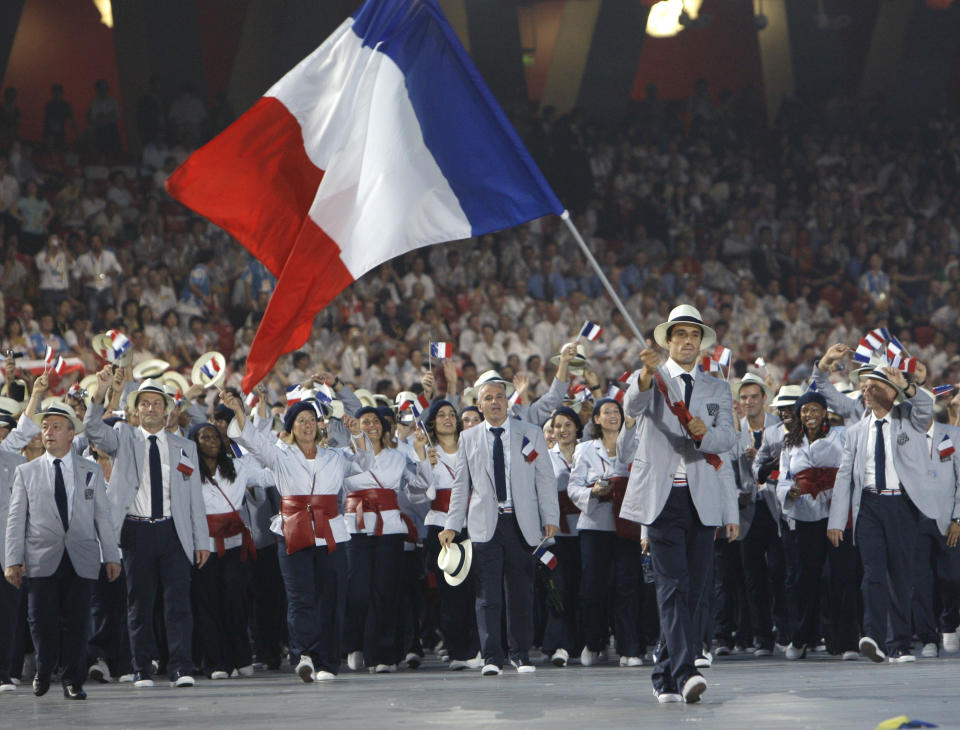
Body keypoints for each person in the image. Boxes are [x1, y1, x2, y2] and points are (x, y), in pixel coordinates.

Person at [620, 305, 738, 704]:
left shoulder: (717, 387)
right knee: (671, 585)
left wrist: (706, 435)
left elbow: (728, 440)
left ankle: (663, 673)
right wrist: (645, 377)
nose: (687, 341)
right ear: (667, 341)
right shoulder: (653, 377)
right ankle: (686, 672)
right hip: (661, 496)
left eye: (694, 335)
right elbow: (631, 410)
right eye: (680, 334)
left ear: (701, 344)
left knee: (694, 591)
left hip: (703, 498)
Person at [223, 391, 369, 682]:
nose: (308, 425)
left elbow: (362, 466)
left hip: (331, 533)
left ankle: (328, 661)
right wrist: (240, 411)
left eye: (312, 419)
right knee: (300, 597)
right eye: (301, 420)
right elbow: (253, 441)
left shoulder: (335, 456)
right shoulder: (280, 455)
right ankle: (304, 654)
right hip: (292, 530)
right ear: (290, 428)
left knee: (331, 597)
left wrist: (358, 437)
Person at [83, 370, 209, 688]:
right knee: (139, 603)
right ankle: (141, 668)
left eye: (157, 403)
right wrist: (100, 390)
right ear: (136, 409)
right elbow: (92, 428)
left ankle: (180, 667)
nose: (151, 409)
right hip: (136, 533)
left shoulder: (184, 447)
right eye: (145, 403)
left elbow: (194, 497)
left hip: (173, 533)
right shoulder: (123, 437)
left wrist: (201, 540)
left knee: (178, 604)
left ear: (167, 410)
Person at [439, 373, 559, 676]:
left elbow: (545, 478)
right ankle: (492, 656)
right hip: (484, 526)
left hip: (522, 523)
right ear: (479, 405)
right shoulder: (468, 438)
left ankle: (520, 655)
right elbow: (460, 486)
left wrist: (551, 518)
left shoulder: (530, 432)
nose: (495, 402)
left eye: (499, 397)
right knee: (487, 595)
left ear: (508, 401)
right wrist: (452, 524)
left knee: (521, 593)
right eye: (488, 398)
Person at [4, 401, 121, 700]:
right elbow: (16, 519)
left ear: (72, 433)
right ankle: (44, 669)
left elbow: (102, 515)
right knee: (41, 621)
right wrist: (12, 560)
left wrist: (110, 554)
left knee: (78, 621)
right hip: (41, 557)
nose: (48, 432)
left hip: (81, 556)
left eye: (56, 426)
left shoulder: (91, 469)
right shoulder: (26, 471)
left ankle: (73, 679)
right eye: (44, 427)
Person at [828, 366, 933, 663]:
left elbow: (926, 406)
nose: (866, 391)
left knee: (899, 576)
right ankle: (873, 637)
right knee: (873, 573)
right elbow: (844, 477)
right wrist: (837, 520)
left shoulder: (908, 419)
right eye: (864, 386)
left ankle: (899, 644)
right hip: (870, 505)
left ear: (890, 392)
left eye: (873, 386)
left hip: (902, 505)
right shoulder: (855, 432)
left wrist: (907, 386)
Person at [342, 406, 425, 673]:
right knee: (358, 591)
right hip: (356, 527)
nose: (371, 426)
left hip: (389, 528)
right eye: (365, 421)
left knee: (385, 591)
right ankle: (355, 644)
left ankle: (383, 655)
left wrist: (422, 457)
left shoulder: (398, 456)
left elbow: (419, 489)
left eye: (375, 421)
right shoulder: (344, 456)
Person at [776, 390, 857, 660]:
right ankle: (801, 638)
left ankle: (845, 642)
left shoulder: (841, 436)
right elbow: (784, 477)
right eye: (804, 410)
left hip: (837, 515)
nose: (808, 415)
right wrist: (791, 492)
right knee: (803, 580)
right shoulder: (790, 444)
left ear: (824, 412)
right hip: (805, 516)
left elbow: (849, 472)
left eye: (813, 409)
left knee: (840, 578)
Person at [189, 422, 271, 679]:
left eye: (215, 436)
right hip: (203, 545)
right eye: (205, 436)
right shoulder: (187, 470)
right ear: (195, 442)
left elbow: (267, 475)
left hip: (235, 544)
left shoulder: (238, 466)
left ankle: (242, 657)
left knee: (236, 601)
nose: (212, 440)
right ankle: (217, 662)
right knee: (208, 604)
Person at [568, 398, 646, 668]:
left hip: (627, 526)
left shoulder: (636, 444)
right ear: (597, 419)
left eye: (617, 411)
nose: (613, 416)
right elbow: (573, 486)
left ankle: (630, 647)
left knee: (628, 586)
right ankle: (593, 642)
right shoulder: (586, 449)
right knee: (593, 588)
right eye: (607, 412)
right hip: (595, 526)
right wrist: (593, 492)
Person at [413, 400, 480, 670]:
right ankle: (458, 651)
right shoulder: (429, 453)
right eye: (441, 415)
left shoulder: (472, 448)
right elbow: (416, 494)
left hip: (474, 525)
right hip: (441, 528)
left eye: (452, 414)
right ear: (432, 422)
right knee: (450, 592)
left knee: (475, 590)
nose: (448, 419)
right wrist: (421, 460)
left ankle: (479, 647)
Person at [734, 373, 783, 657]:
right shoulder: (733, 431)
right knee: (752, 578)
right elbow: (726, 470)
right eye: (743, 398)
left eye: (753, 396)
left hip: (778, 508)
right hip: (746, 510)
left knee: (780, 571)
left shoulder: (780, 427)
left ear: (764, 399)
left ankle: (785, 631)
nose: (748, 401)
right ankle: (762, 636)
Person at [543, 406, 583, 667]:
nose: (563, 430)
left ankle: (582, 642)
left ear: (577, 427)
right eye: (558, 425)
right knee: (558, 588)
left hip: (587, 529)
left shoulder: (588, 451)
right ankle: (559, 644)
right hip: (556, 534)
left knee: (582, 589)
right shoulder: (545, 458)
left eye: (568, 424)